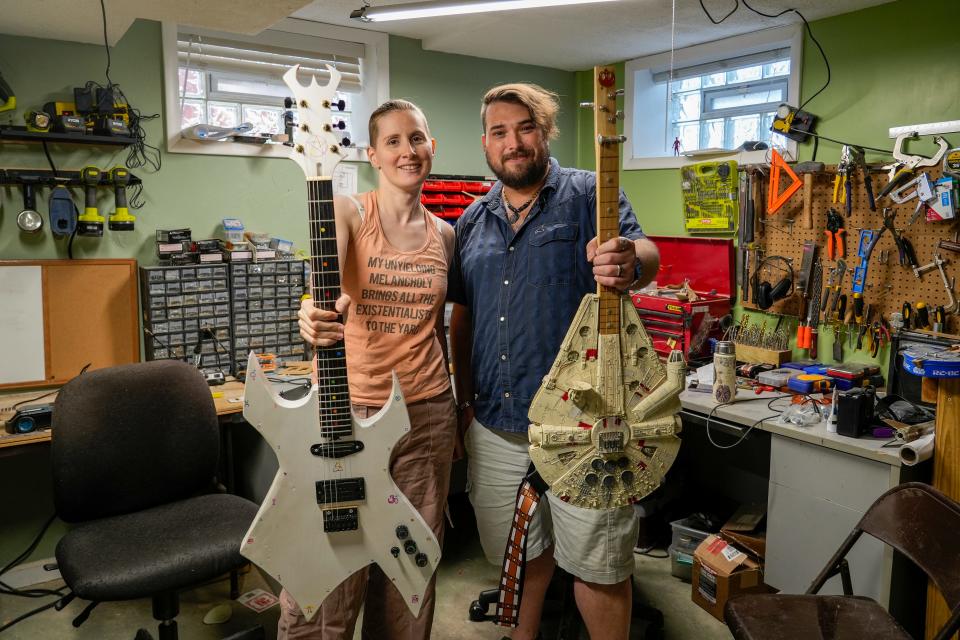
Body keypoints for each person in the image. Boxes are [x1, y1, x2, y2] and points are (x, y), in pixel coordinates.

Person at [447, 83, 660, 640]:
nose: (513, 142)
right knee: (519, 554)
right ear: (486, 144)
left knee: (599, 567)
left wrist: (627, 261)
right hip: (495, 422)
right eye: (499, 132)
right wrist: (464, 403)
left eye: (525, 128)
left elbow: (646, 253)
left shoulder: (590, 194)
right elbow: (462, 320)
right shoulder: (471, 221)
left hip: (584, 427)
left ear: (544, 133)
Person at [287, 99, 457, 640]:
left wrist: (458, 406)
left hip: (425, 416)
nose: (408, 151)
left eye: (417, 138)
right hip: (348, 415)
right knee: (327, 568)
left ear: (433, 147)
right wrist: (310, 312)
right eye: (393, 141)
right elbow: (325, 285)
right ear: (372, 154)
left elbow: (438, 330)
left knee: (409, 568)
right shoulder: (348, 212)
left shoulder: (446, 236)